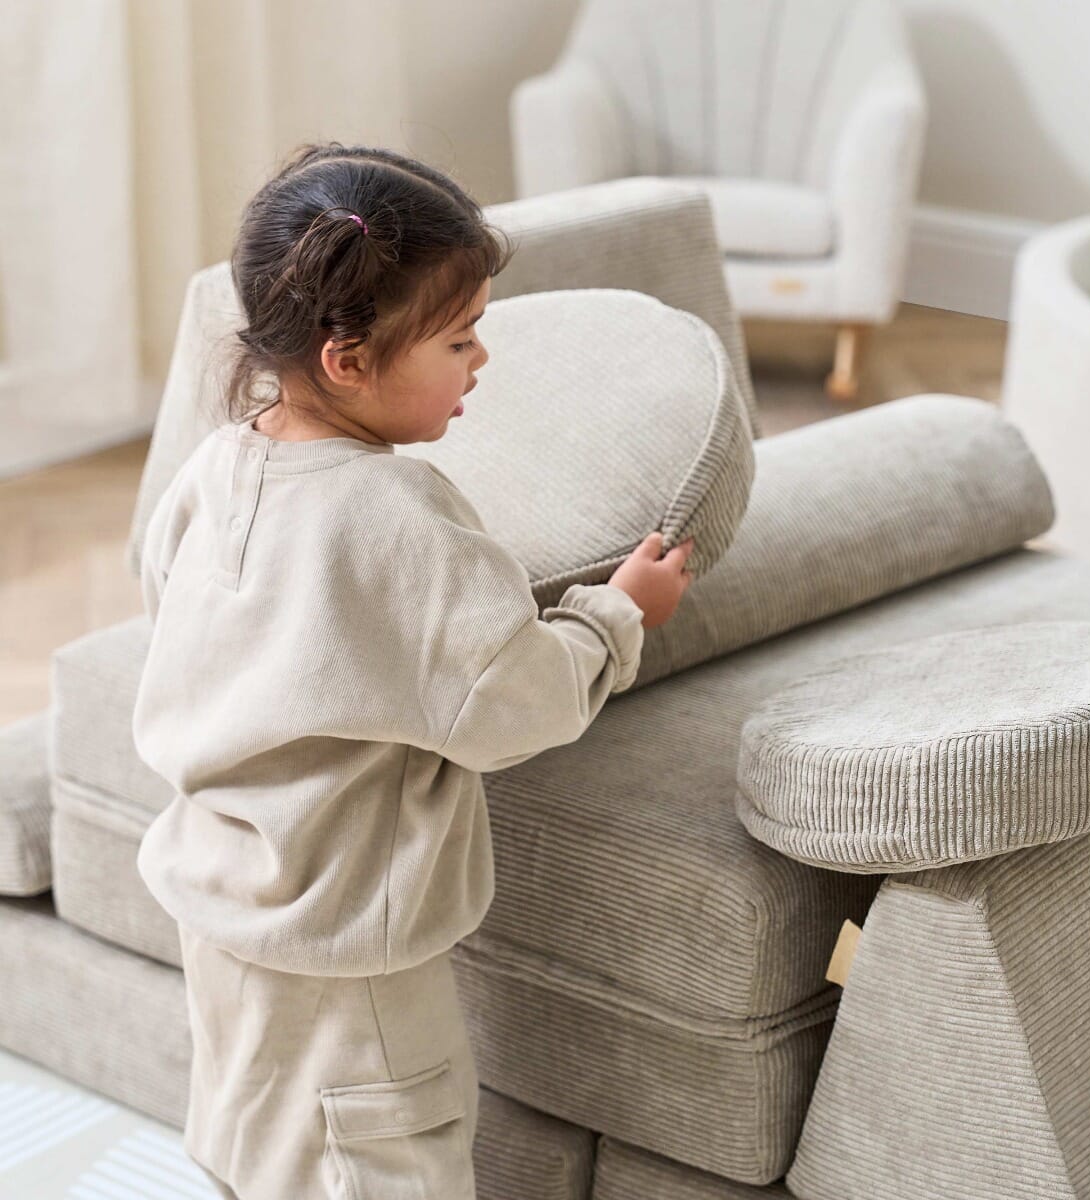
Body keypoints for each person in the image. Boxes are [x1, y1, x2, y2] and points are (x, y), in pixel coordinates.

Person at [131, 141, 695, 1200]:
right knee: (384, 1162)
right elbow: (507, 703)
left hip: (220, 906)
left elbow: (167, 606)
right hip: (351, 955)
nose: (481, 362)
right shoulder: (400, 518)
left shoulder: (217, 466)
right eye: (461, 339)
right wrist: (618, 615)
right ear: (348, 359)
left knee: (259, 1150)